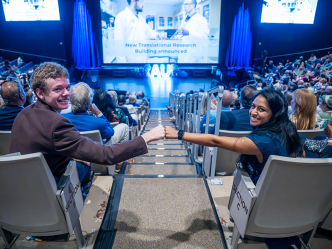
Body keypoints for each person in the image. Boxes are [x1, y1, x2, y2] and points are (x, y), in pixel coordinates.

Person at [9, 62, 164, 186]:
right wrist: (146, 137)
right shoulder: (57, 124)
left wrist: (71, 156)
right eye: (58, 89)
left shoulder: (23, 113)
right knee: (86, 165)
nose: (66, 93)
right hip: (49, 190)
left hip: (21, 187)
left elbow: (44, 148)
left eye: (67, 87)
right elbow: (106, 154)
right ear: (40, 93)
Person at [165, 89, 303, 184]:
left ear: (275, 114)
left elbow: (215, 140)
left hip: (263, 197)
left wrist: (179, 134)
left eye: (261, 109)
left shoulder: (262, 142)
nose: (253, 112)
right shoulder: (288, 131)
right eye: (253, 106)